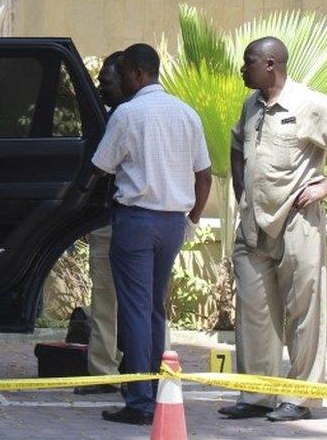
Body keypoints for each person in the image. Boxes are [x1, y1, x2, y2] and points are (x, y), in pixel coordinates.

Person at [218, 37, 327, 422]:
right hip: (253, 225)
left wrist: (326, 185)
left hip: (297, 222)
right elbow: (237, 145)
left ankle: (300, 398)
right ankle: (256, 395)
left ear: (271, 64)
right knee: (254, 311)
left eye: (248, 62)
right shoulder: (251, 105)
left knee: (303, 310)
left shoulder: (309, 103)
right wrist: (241, 188)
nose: (242, 68)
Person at [91, 44, 212, 425]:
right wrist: (191, 219)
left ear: (139, 74)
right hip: (172, 223)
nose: (122, 80)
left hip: (137, 222)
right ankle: (160, 393)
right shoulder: (186, 113)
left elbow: (100, 167)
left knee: (135, 310)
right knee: (155, 309)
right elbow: (204, 175)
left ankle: (140, 400)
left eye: (125, 73)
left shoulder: (127, 114)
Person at [74, 52, 125, 396]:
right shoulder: (173, 113)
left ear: (128, 79)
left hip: (115, 218)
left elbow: (98, 169)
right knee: (139, 302)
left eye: (105, 82)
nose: (99, 88)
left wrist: (75, 199)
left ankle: (105, 371)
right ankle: (146, 372)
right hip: (153, 221)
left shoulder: (122, 118)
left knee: (108, 299)